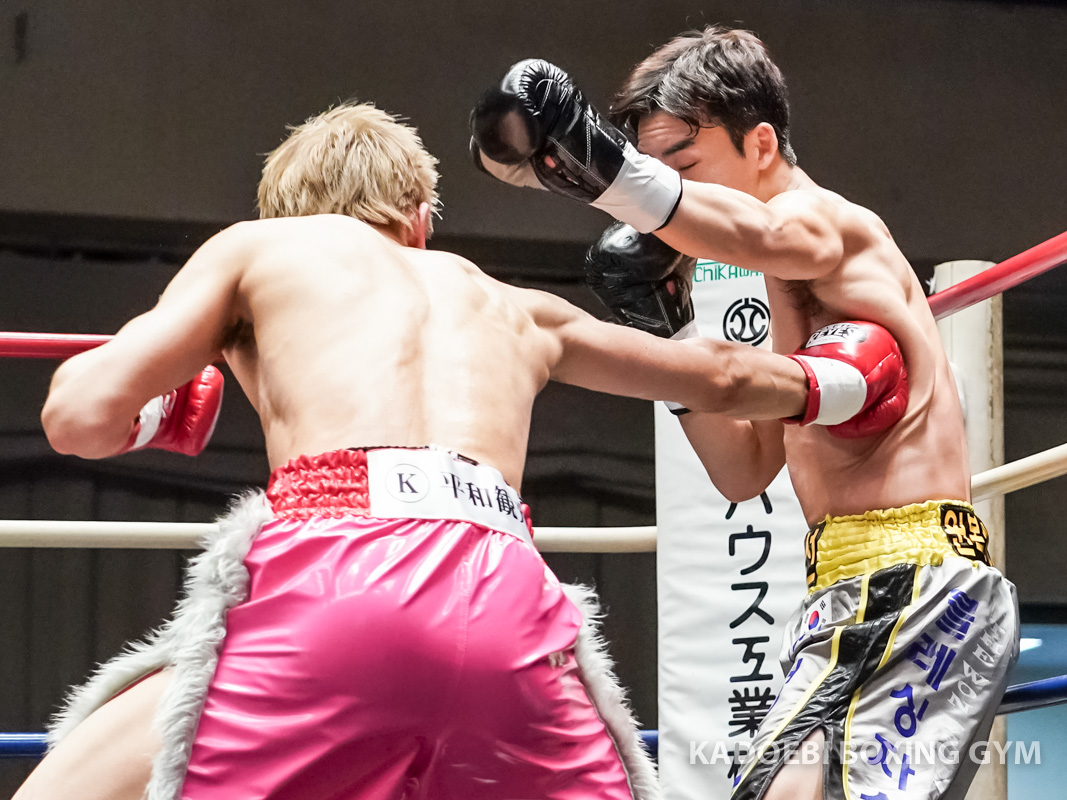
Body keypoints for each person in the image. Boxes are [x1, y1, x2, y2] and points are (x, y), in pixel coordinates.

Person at [16, 101, 895, 800]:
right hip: (504, 595)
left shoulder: (260, 251)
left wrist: (151, 414)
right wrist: (839, 385)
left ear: (287, 213)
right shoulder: (514, 304)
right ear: (419, 218)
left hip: (331, 580)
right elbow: (728, 379)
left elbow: (77, 416)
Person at [469, 26, 1019, 800]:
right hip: (845, 589)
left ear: (759, 143)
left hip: (915, 578)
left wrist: (600, 167)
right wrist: (669, 331)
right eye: (652, 170)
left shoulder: (829, 226)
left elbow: (755, 232)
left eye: (682, 165)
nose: (665, 198)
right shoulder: (781, 279)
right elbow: (743, 470)